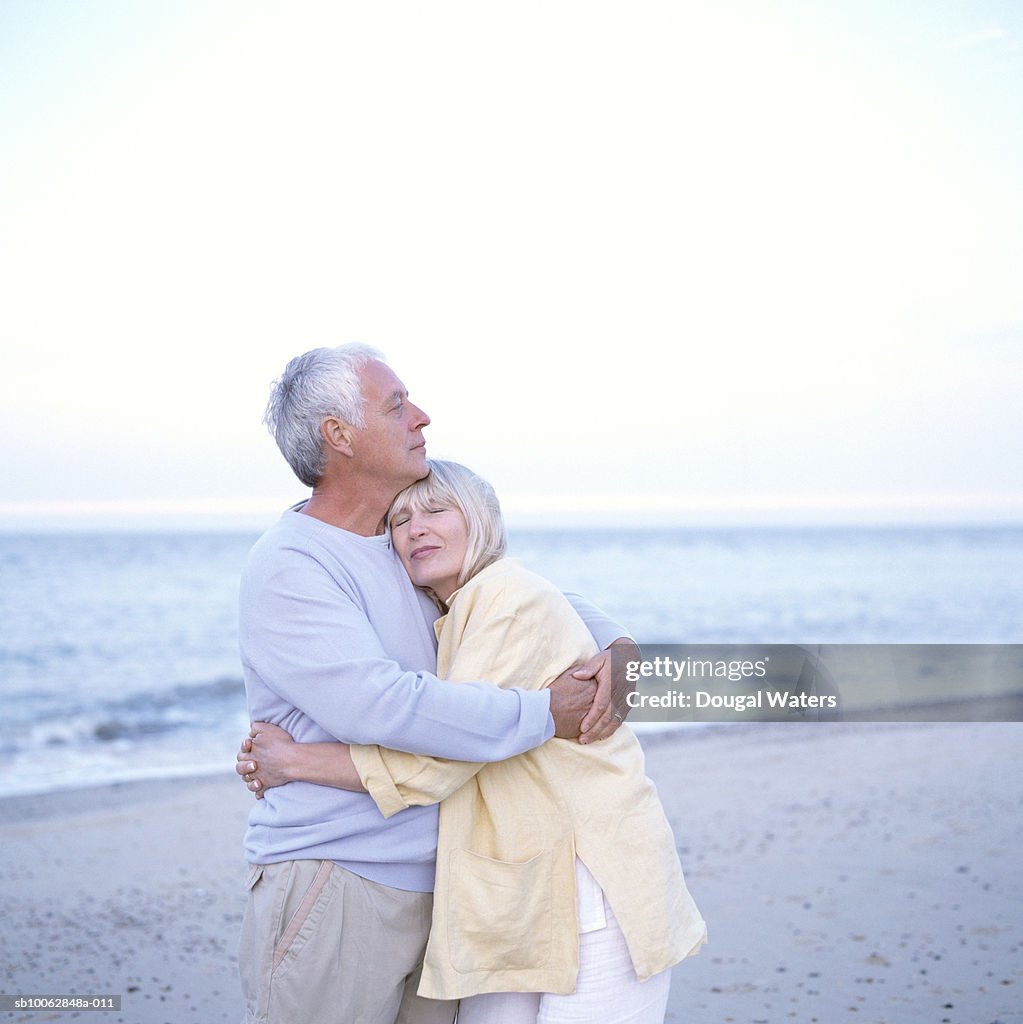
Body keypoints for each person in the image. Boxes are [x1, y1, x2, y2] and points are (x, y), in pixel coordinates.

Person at [237, 344, 638, 1024]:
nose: (420, 417)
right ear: (338, 435)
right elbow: (383, 706)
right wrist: (544, 713)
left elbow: (516, 598)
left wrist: (620, 651)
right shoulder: (291, 565)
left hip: (449, 886)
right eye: (396, 406)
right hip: (338, 881)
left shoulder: (403, 545)